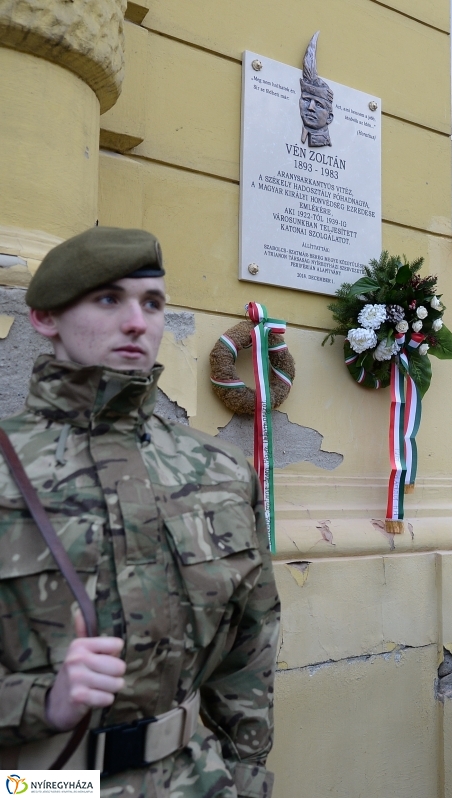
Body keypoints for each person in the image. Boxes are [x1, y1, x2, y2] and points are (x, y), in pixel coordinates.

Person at [0, 228, 280, 796]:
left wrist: (247, 777)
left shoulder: (219, 473)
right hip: (38, 784)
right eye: (109, 299)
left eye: (152, 304)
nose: (137, 322)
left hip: (192, 779)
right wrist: (41, 702)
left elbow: (250, 647)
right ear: (45, 317)